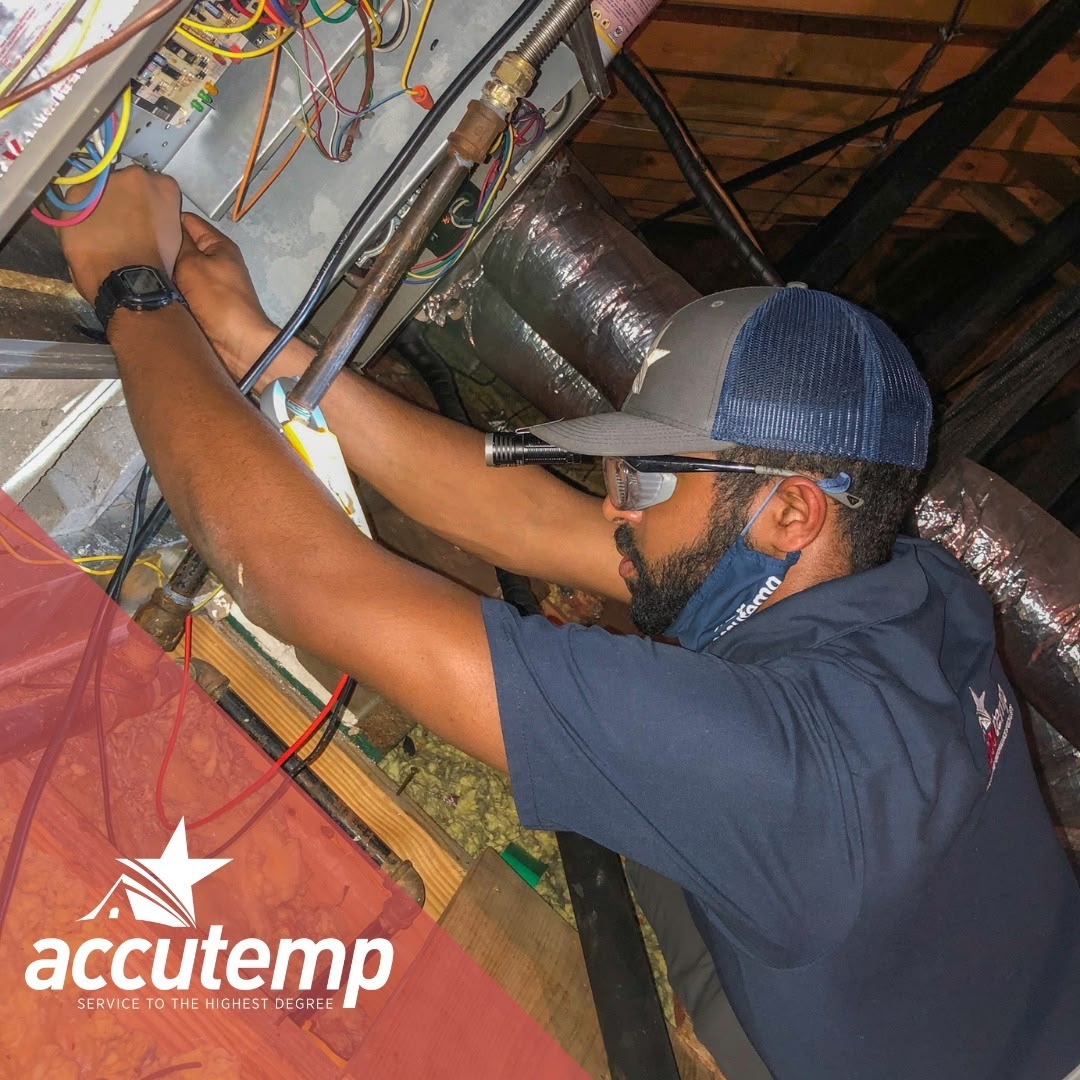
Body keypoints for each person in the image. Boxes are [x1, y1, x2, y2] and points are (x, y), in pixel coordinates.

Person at [56, 167, 1080, 1080]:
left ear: (792, 511)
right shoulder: (911, 581)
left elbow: (298, 578)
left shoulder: (780, 776)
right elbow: (542, 523)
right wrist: (268, 351)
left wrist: (129, 292)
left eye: (644, 471)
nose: (612, 499)